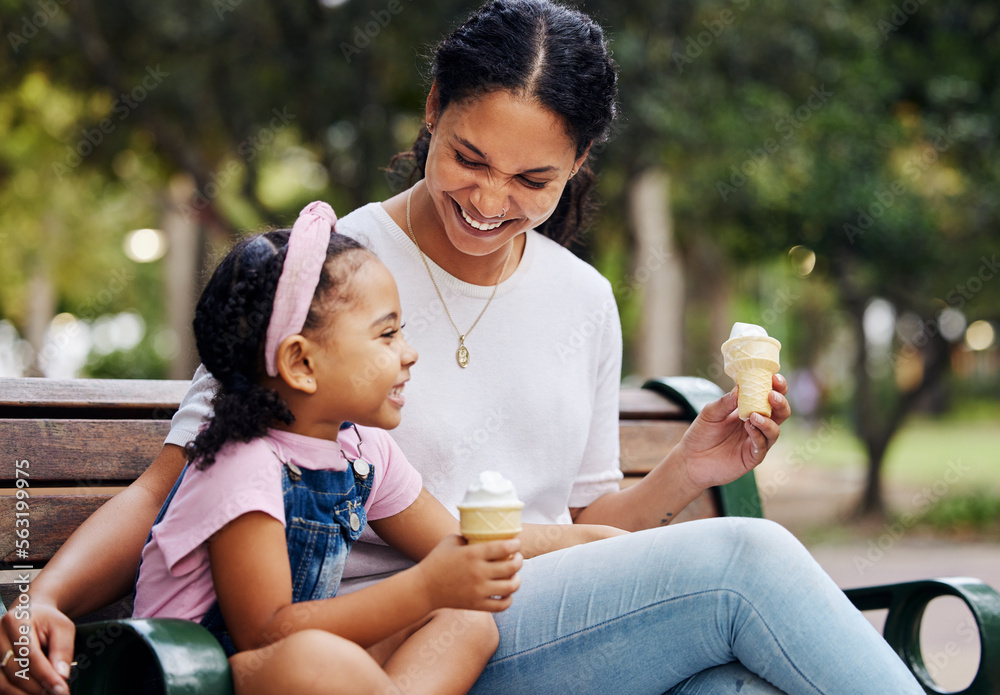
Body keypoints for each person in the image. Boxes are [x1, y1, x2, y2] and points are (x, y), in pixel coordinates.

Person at [1, 1, 924, 693]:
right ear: (433, 108)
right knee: (745, 560)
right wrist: (48, 592)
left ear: (579, 165)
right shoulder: (331, 279)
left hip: (504, 621)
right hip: (371, 645)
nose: (489, 201)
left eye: (534, 179)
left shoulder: (583, 299)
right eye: (470, 158)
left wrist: (687, 470)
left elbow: (588, 527)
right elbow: (167, 486)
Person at [133, 202, 519, 694]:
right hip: (194, 678)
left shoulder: (362, 451)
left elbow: (446, 543)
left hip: (295, 667)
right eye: (387, 333)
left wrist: (473, 563)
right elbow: (265, 632)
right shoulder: (244, 466)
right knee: (315, 658)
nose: (409, 352)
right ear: (301, 364)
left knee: (463, 619)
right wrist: (424, 587)